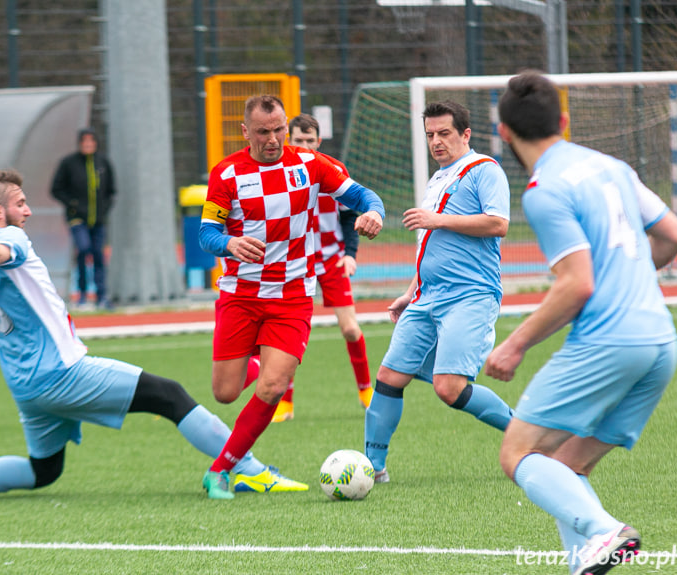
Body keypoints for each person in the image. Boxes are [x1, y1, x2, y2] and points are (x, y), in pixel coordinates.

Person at [0, 169, 292, 503]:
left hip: (25, 385)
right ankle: (247, 470)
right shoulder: (9, 241)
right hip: (63, 372)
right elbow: (1, 252)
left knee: (43, 471)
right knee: (168, 396)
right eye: (21, 203)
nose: (28, 211)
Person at [486, 70, 677, 575]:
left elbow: (576, 284)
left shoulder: (544, 190)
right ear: (565, 120)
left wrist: (514, 345)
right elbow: (674, 236)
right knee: (563, 468)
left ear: (503, 133)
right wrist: (633, 274)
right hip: (660, 340)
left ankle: (606, 532)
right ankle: (586, 563)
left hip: (609, 342)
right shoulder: (610, 166)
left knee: (518, 452)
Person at [198, 95, 385, 499]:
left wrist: (374, 213)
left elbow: (364, 196)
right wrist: (229, 244)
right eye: (264, 132)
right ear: (245, 131)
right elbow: (206, 235)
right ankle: (256, 365)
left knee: (274, 384)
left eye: (279, 129)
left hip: (292, 296)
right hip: (241, 295)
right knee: (225, 393)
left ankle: (221, 470)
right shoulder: (226, 173)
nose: (274, 139)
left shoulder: (310, 164)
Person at [364, 100, 514, 484]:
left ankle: (528, 437)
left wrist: (437, 219)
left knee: (450, 389)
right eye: (430, 135)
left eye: (444, 133)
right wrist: (409, 290)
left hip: (470, 295)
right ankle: (371, 469)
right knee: (389, 376)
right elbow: (431, 245)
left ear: (465, 134)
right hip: (425, 297)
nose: (436, 142)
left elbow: (498, 223)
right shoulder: (437, 179)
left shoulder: (484, 170)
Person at [243, 113, 374, 423]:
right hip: (292, 264)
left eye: (309, 140)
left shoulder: (333, 170)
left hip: (329, 259)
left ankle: (367, 392)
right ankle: (284, 404)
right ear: (289, 138)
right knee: (284, 336)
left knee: (351, 328)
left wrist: (350, 253)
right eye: (297, 140)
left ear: (319, 141)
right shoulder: (277, 171)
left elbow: (348, 213)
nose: (303, 145)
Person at [51, 128, 115, 308]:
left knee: (98, 255)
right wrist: (72, 204)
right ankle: (82, 294)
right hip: (77, 218)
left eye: (91, 141)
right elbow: (56, 189)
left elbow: (111, 191)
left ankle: (102, 296)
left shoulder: (103, 163)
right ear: (80, 144)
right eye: (84, 142)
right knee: (83, 249)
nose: (88, 145)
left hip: (98, 219)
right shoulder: (69, 163)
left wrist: (104, 209)